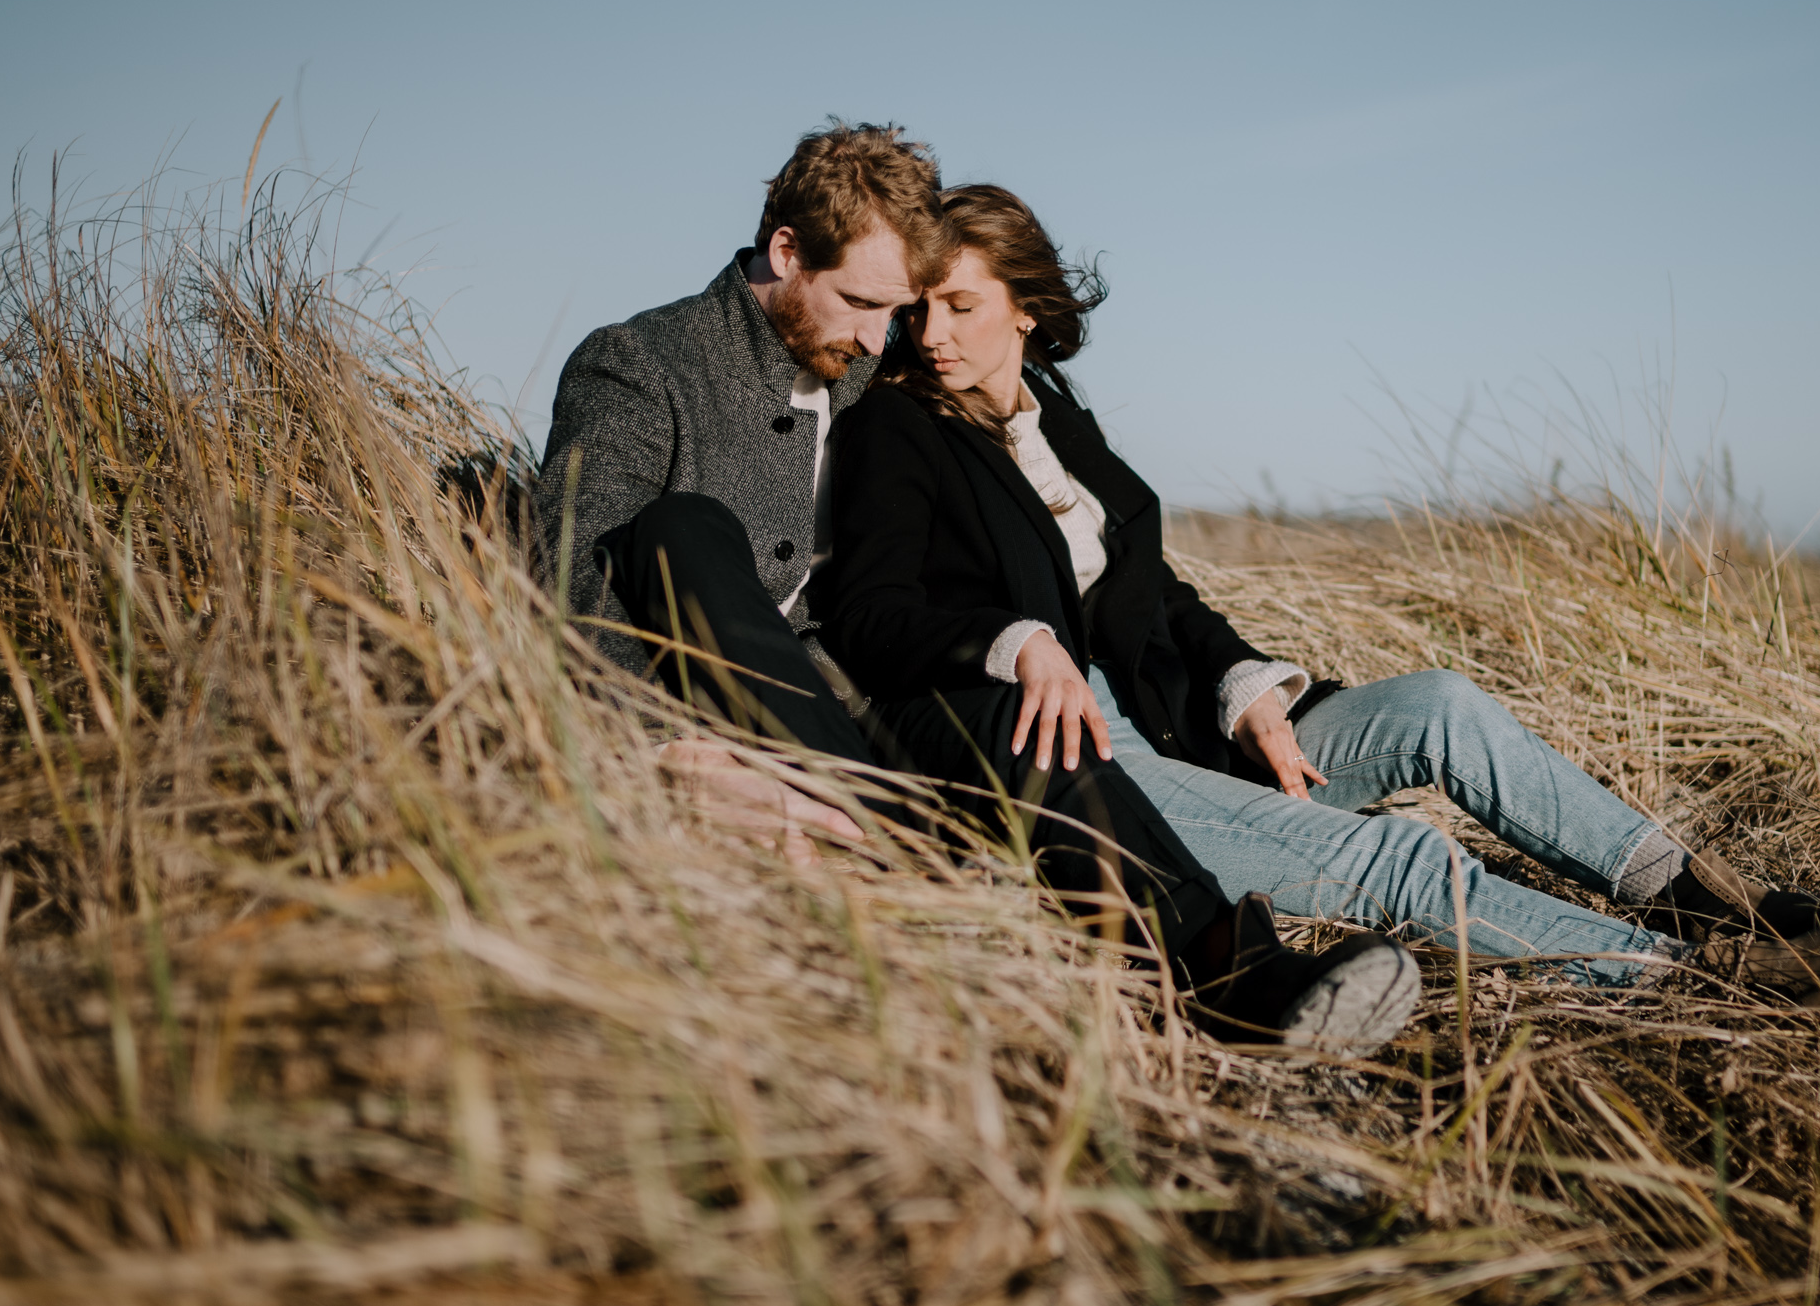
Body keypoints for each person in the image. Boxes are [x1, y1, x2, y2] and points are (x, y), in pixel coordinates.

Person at [816, 185, 1820, 1008]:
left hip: (1187, 723)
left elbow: (1149, 587)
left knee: (1442, 703)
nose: (930, 333)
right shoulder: (895, 429)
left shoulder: (1059, 417)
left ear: (1025, 305)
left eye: (959, 306)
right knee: (1401, 863)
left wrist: (1250, 686)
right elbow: (868, 608)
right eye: (921, 310)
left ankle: (1720, 903)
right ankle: (1717, 983)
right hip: (1102, 766)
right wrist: (1015, 644)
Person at [533, 122, 1419, 1054]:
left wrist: (1039, 635)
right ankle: (893, 840)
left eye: (900, 309)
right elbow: (570, 592)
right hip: (739, 698)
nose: (886, 340)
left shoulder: (877, 356)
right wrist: (667, 756)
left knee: (1027, 716)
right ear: (786, 251)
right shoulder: (641, 364)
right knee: (681, 528)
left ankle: (1229, 974)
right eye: (865, 303)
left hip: (880, 697)